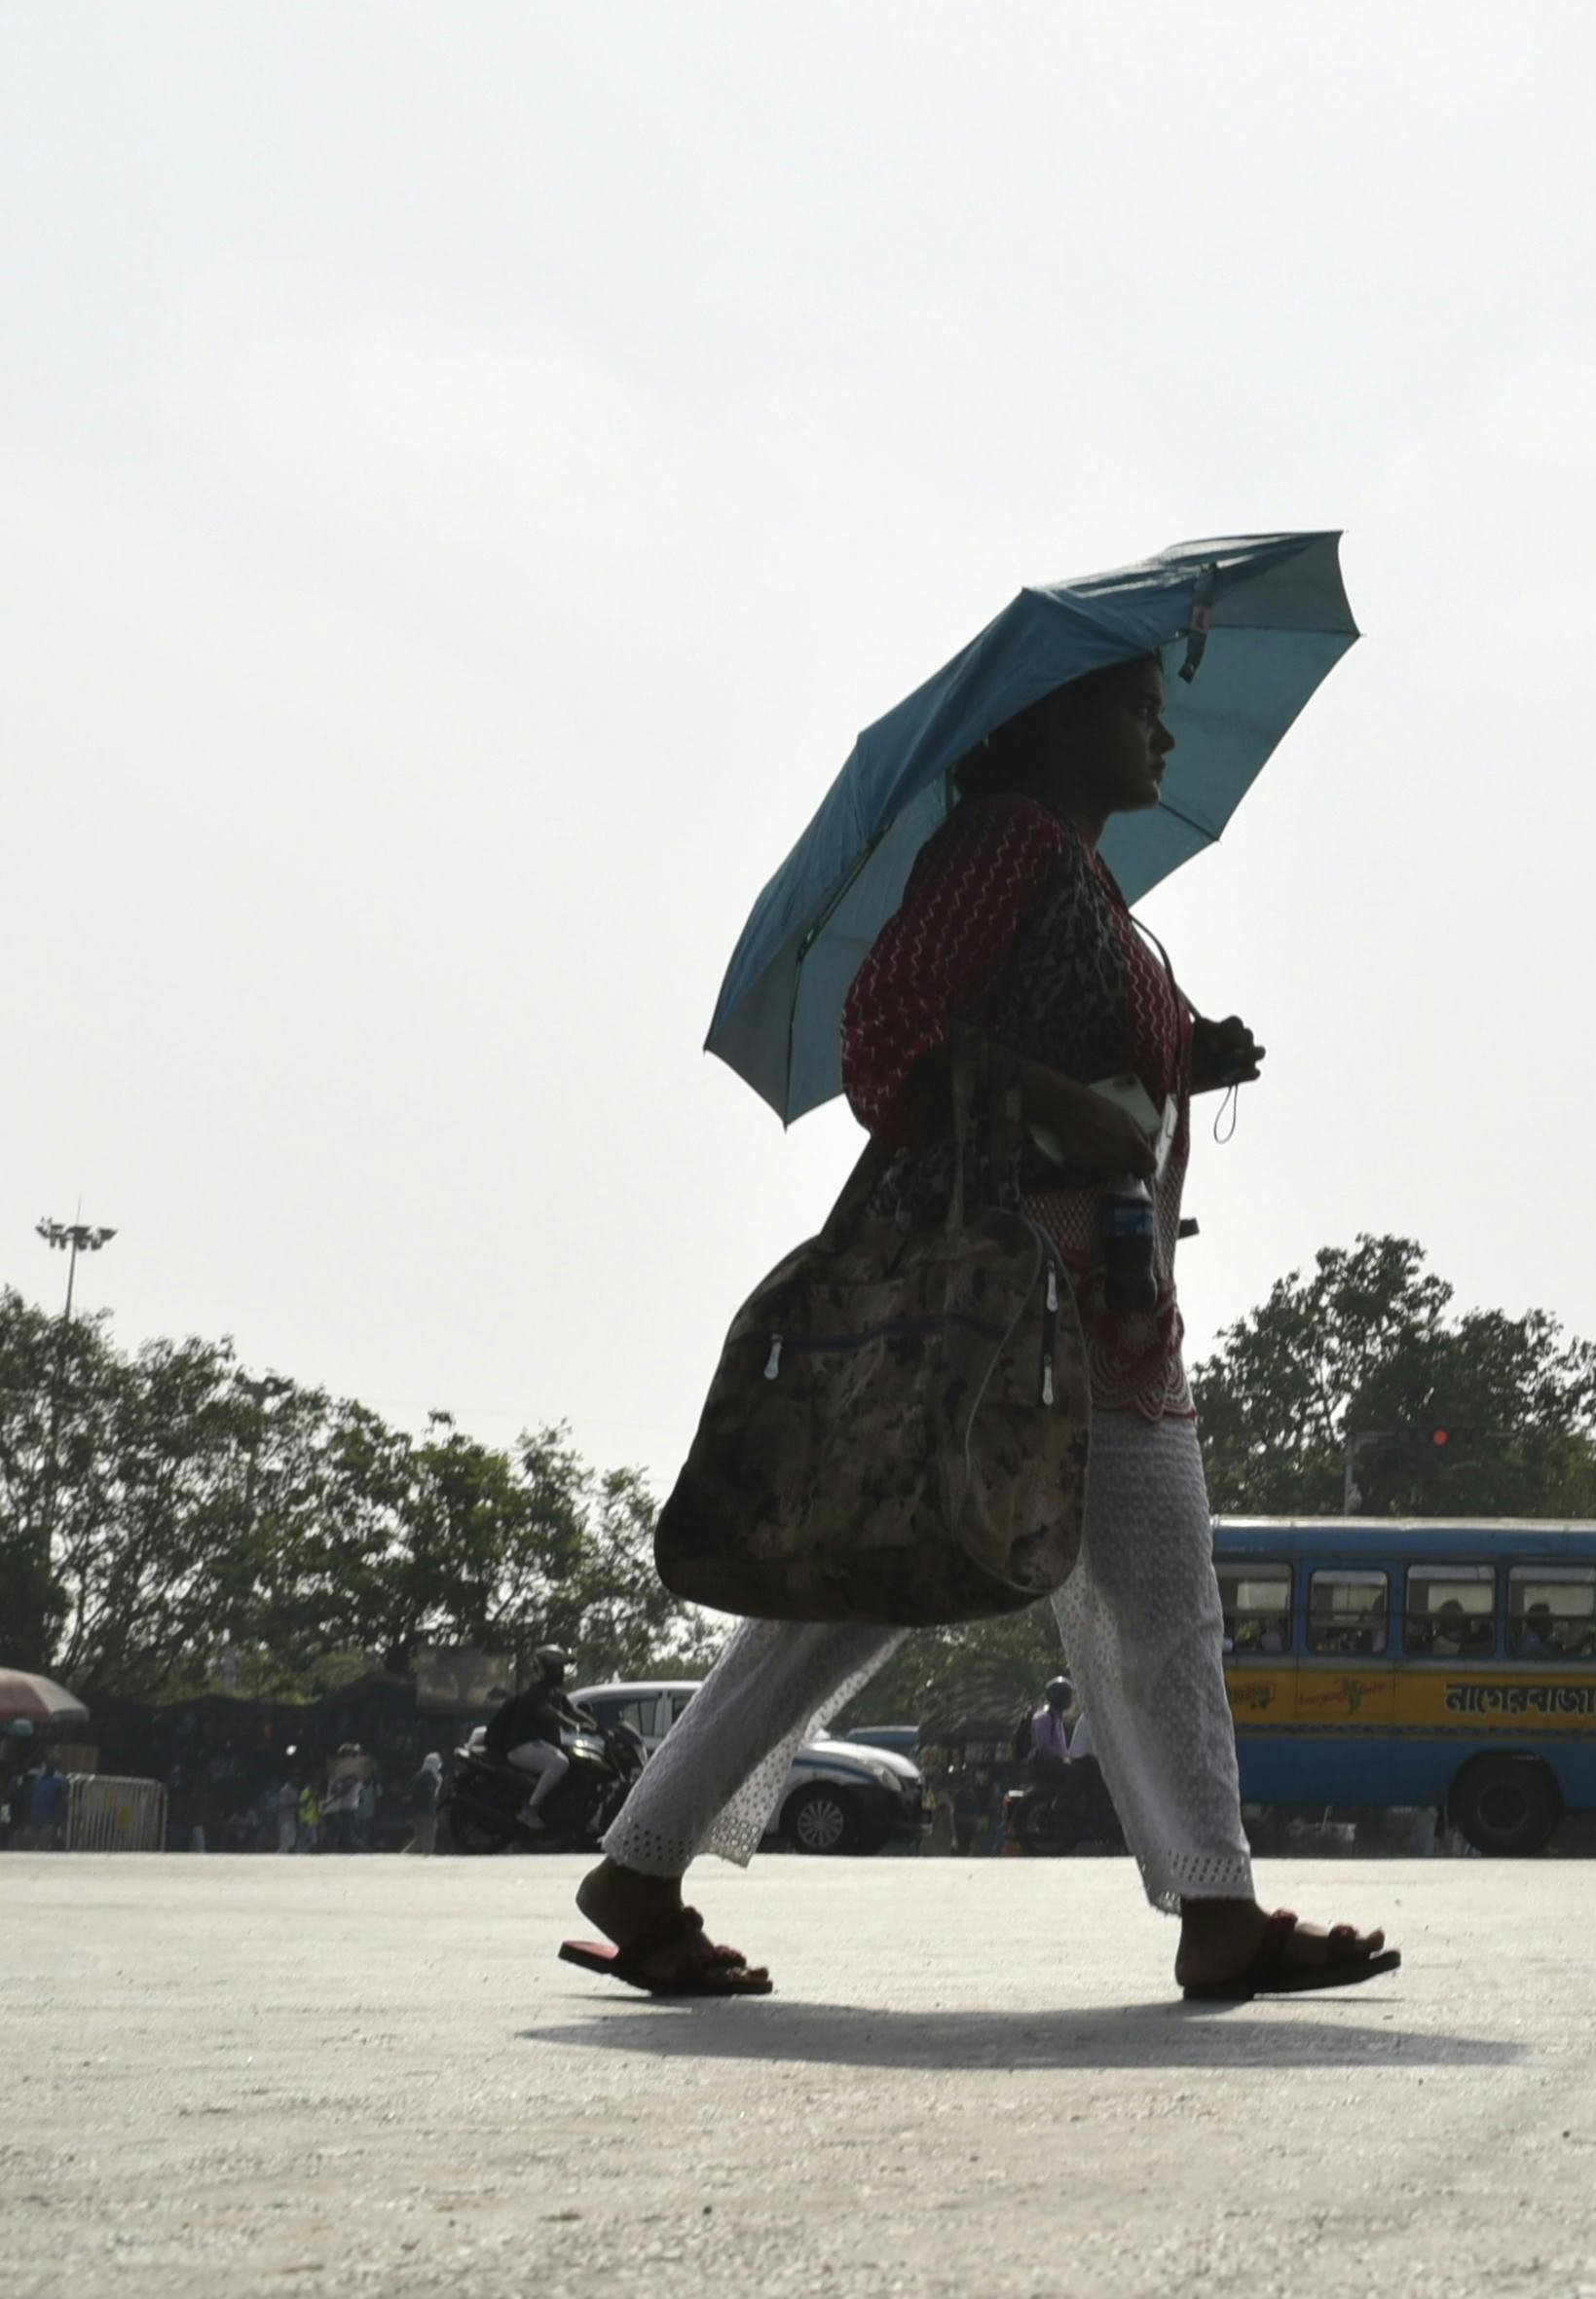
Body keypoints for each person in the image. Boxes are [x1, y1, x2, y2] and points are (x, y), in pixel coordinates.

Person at [567, 653, 1391, 2001]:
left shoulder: (1077, 874)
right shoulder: (1005, 841)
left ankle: (644, 1860)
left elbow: (1073, 1037)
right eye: (1136, 708)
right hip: (1031, 1298)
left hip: (1077, 1297)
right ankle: (1214, 1908)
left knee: (860, 1591)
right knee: (1154, 1606)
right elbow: (886, 1035)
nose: (1165, 730)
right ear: (1056, 725)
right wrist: (1069, 1109)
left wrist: (1189, 1053)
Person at [488, 1650, 591, 1833]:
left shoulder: (554, 1693)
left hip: (538, 1747)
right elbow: (550, 1713)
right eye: (556, 1668)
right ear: (545, 1670)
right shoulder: (536, 1693)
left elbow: (572, 1710)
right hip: (522, 1748)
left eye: (561, 1668)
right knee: (559, 1763)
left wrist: (596, 1725)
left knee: (573, 1760)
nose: (561, 1672)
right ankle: (529, 1810)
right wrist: (573, 1725)